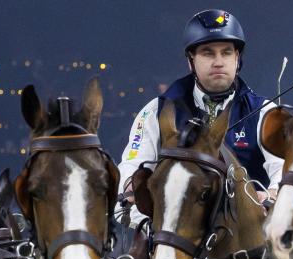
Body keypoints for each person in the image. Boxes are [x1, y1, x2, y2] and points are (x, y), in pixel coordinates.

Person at [117, 9, 283, 224]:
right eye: (207, 53)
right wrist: (131, 185)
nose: (218, 62)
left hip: (250, 236)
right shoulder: (155, 111)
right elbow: (132, 164)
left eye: (226, 52)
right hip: (176, 234)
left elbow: (283, 169)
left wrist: (270, 195)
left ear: (237, 58)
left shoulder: (264, 110)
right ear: (191, 60)